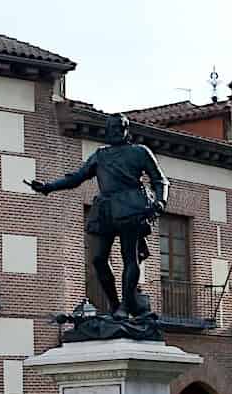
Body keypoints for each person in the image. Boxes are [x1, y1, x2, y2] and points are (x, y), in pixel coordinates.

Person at [27, 113, 168, 318]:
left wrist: (160, 201)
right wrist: (48, 187)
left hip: (131, 206)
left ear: (125, 130)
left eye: (118, 128)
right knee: (98, 259)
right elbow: (77, 178)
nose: (114, 132)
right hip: (106, 209)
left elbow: (160, 180)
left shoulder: (140, 152)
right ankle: (114, 304)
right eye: (110, 128)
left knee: (129, 257)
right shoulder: (100, 155)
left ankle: (126, 306)